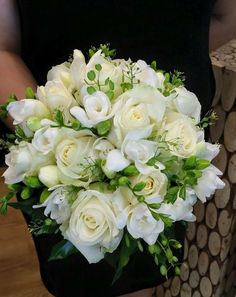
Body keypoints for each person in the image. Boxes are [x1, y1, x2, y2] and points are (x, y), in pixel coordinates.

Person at [0, 1, 236, 297]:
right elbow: (2, 48)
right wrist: (59, 134)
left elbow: (225, 15)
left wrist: (154, 94)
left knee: (140, 269)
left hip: (167, 148)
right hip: (60, 150)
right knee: (84, 275)